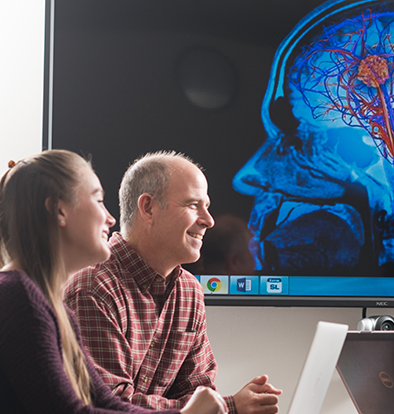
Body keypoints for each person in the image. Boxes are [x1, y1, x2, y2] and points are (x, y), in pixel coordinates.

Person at [0, 150, 226, 414]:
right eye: (98, 200)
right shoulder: (18, 300)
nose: (111, 218)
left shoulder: (43, 304)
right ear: (59, 210)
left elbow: (106, 403)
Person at [64, 151, 282, 414]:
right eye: (193, 205)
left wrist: (219, 406)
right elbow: (111, 405)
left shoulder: (189, 291)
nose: (208, 220)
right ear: (148, 208)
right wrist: (231, 406)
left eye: (207, 206)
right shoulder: (93, 288)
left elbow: (200, 394)